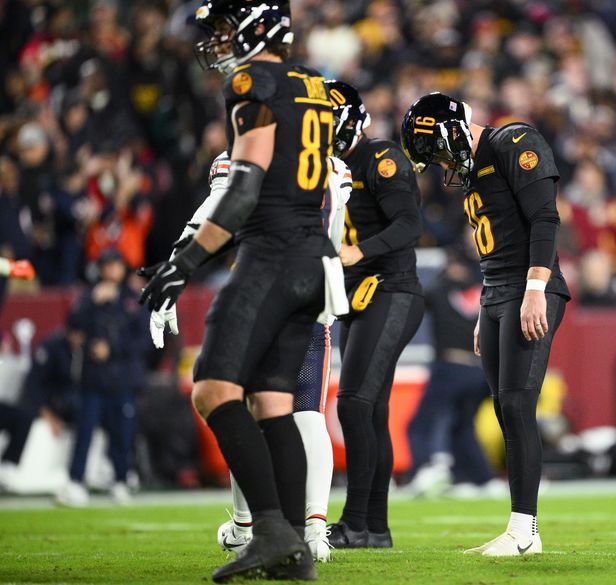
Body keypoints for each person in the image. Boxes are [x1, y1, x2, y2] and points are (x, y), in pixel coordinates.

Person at [139, 1, 344, 581]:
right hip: (314, 259)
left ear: (257, 30)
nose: (221, 43)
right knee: (273, 403)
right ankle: (296, 550)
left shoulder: (253, 80)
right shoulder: (314, 86)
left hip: (271, 253)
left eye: (228, 30)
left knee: (211, 389)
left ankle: (270, 531)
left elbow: (245, 185)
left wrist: (186, 261)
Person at [147, 148, 351, 562]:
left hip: (263, 286)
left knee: (228, 398)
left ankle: (247, 524)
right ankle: (310, 530)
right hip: (317, 288)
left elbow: (216, 211)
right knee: (302, 411)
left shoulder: (249, 146)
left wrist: (176, 267)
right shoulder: (330, 161)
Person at [401, 93, 570, 556]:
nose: (438, 162)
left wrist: (536, 288)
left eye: (436, 149)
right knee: (503, 409)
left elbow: (544, 217)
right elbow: (493, 249)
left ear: (454, 129)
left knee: (517, 406)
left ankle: (525, 530)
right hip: (497, 292)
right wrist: (484, 308)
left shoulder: (513, 140)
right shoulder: (473, 169)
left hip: (529, 288)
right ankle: (518, 528)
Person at [323, 80, 424, 549]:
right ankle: (375, 529)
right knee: (371, 410)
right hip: (360, 296)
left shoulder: (381, 156)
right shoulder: (327, 165)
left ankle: (356, 522)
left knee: (354, 403)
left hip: (392, 290)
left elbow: (409, 225)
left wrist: (356, 252)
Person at [56, 248, 149, 507]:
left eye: (115, 265)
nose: (111, 271)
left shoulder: (133, 299)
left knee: (122, 433)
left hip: (122, 379)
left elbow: (143, 341)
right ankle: (76, 481)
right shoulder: (89, 297)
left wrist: (112, 349)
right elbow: (72, 327)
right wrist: (91, 303)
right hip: (93, 379)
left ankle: (120, 480)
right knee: (84, 431)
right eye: (107, 266)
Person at [406, 245, 497, 496]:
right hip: (480, 370)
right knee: (463, 426)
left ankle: (425, 469)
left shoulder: (441, 288)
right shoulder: (484, 291)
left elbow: (417, 301)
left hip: (451, 366)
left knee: (419, 425)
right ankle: (481, 478)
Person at [0, 316, 83, 489]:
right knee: (24, 414)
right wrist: (47, 414)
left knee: (89, 412)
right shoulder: (51, 347)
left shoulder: (82, 351)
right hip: (44, 402)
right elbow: (33, 386)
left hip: (65, 403)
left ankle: (78, 473)